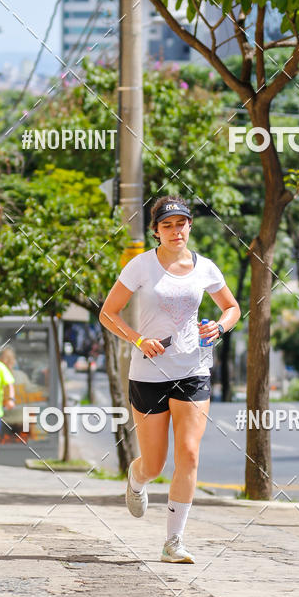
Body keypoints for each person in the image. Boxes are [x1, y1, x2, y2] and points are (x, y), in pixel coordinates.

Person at [100, 196, 241, 563]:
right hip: (148, 375)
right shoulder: (141, 267)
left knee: (190, 454)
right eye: (167, 225)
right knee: (154, 464)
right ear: (156, 231)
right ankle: (136, 477)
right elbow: (108, 313)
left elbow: (232, 308)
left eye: (181, 223)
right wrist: (138, 340)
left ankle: (173, 542)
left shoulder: (205, 267)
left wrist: (220, 327)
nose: (175, 231)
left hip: (192, 369)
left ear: (190, 226)